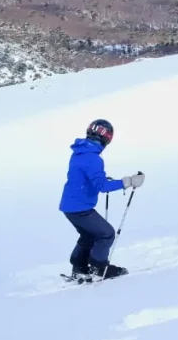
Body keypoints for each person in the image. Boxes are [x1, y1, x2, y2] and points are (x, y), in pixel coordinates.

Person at [58, 119, 145, 279]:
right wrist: (128, 182)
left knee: (88, 235)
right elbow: (102, 186)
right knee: (106, 234)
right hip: (80, 208)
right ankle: (99, 268)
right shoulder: (93, 158)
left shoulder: (79, 152)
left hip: (69, 207)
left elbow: (86, 178)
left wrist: (104, 180)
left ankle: (79, 267)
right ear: (106, 139)